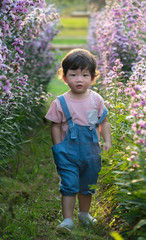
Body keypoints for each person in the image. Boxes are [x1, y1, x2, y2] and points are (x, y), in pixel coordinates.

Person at [45, 48, 112, 233]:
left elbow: (104, 121)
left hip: (91, 152)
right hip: (68, 152)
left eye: (84, 74)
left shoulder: (96, 100)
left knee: (87, 185)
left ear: (92, 77)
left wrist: (107, 141)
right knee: (69, 185)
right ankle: (67, 220)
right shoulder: (60, 102)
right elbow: (55, 125)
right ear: (64, 77)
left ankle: (84, 214)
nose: (79, 79)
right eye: (73, 75)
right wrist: (58, 147)